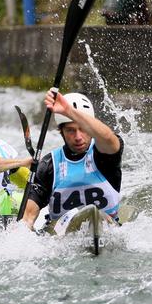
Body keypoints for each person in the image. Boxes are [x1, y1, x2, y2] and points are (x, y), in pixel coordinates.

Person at [21, 91, 124, 230]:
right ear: (61, 131)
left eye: (83, 129)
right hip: (62, 235)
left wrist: (69, 111)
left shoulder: (104, 155)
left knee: (93, 213)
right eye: (70, 130)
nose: (78, 137)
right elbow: (28, 215)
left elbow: (107, 137)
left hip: (107, 226)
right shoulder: (49, 166)